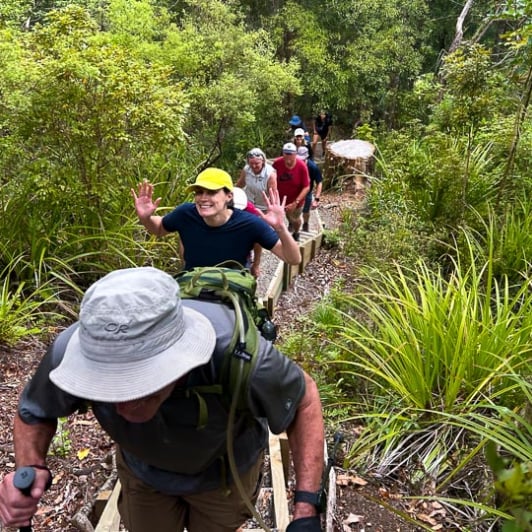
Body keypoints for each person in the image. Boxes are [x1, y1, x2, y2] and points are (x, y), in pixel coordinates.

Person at [0, 267, 324, 532]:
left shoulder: (239, 356)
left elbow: (303, 400)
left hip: (225, 474)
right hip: (143, 471)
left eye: (142, 384)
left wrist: (306, 507)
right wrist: (29, 467)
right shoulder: (72, 350)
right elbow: (35, 411)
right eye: (108, 386)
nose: (125, 406)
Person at [131, 167, 301, 271]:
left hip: (232, 291)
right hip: (193, 284)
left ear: (228, 196)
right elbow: (159, 228)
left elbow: (293, 259)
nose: (203, 198)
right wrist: (146, 218)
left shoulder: (249, 223)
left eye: (211, 192)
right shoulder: (185, 214)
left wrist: (280, 228)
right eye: (199, 192)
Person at [273, 143, 310, 242]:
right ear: (283, 153)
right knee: (279, 219)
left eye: (291, 154)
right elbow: (271, 178)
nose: (288, 156)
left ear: (295, 154)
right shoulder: (277, 163)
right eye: (286, 153)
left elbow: (306, 187)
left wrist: (295, 202)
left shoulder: (302, 166)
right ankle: (280, 238)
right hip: (280, 200)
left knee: (295, 220)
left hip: (295, 201)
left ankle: (296, 232)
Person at [235, 148, 277, 213]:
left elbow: (273, 195)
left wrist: (271, 211)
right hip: (248, 204)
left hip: (263, 208)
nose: (254, 166)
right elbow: (241, 183)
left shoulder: (270, 174)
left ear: (263, 161)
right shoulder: (246, 169)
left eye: (257, 163)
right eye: (251, 163)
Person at [296, 146, 323, 233]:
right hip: (295, 190)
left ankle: (306, 223)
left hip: (307, 191)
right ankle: (292, 226)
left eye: (302, 159)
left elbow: (319, 182)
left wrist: (316, 199)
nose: (300, 161)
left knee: (306, 211)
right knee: (293, 211)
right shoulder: (294, 164)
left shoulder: (313, 167)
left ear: (306, 157)